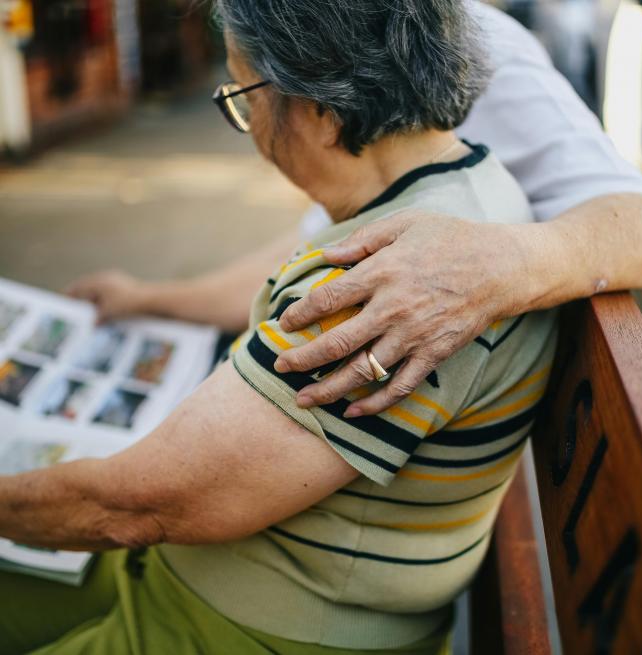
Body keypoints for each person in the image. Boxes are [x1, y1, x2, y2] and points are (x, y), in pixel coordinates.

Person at [1, 1, 559, 653]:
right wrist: (149, 296)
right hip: (256, 588)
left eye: (244, 94)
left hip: (251, 625)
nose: (249, 126)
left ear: (321, 110)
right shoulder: (455, 189)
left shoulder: (387, 285)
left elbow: (142, 504)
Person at [68, 1, 642, 419]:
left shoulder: (468, 40)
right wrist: (146, 298)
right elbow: (303, 253)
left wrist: (485, 267)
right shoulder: (340, 31)